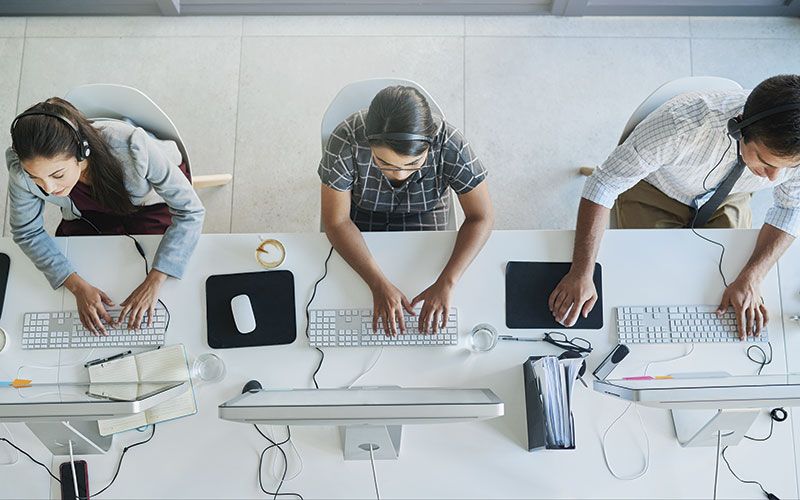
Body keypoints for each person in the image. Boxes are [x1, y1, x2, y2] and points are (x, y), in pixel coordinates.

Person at [549, 74, 800, 340]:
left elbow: (789, 209)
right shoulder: (679, 125)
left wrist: (754, 276)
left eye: (787, 168)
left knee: (723, 289)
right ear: (739, 128)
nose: (774, 178)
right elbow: (604, 184)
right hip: (657, 189)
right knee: (651, 284)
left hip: (730, 194)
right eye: (765, 162)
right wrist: (581, 271)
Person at [7, 97, 205, 335]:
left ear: (82, 152)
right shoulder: (21, 171)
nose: (47, 188)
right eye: (35, 177)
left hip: (148, 204)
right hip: (88, 213)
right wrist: (77, 286)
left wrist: (155, 279)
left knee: (164, 281)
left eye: (57, 174)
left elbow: (190, 210)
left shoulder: (131, 147)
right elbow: (26, 231)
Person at [319, 85, 493, 336]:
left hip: (425, 212)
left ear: (431, 144)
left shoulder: (449, 142)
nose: (399, 174)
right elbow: (336, 221)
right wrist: (377, 284)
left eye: (413, 163)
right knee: (350, 296)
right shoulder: (345, 140)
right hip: (360, 215)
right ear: (368, 143)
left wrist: (447, 281)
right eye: (384, 163)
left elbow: (482, 216)